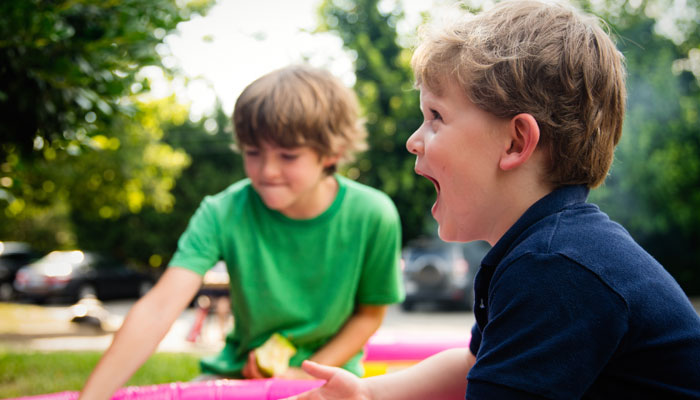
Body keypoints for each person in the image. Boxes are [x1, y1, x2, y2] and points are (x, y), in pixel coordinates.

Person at [284, 1, 700, 399]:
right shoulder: (544, 249)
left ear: (516, 141)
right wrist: (370, 392)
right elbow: (474, 364)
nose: (413, 141)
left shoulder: (556, 267)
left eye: (436, 117)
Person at [79, 65, 405, 399]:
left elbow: (369, 315)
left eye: (288, 155)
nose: (267, 171)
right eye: (253, 152)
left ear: (331, 153)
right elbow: (160, 307)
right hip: (237, 378)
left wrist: (299, 375)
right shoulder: (222, 211)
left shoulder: (373, 214)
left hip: (331, 381)